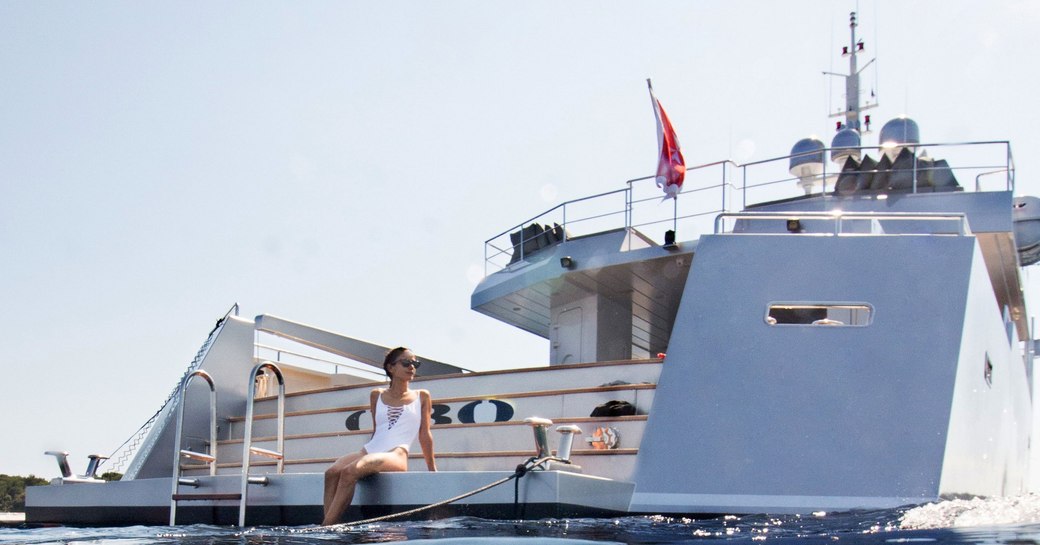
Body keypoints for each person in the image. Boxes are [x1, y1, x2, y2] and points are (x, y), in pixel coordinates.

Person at [322, 347, 437, 525]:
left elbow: (425, 434)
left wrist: (432, 469)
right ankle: (330, 524)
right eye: (406, 363)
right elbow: (378, 431)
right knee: (332, 472)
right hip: (371, 450)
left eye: (415, 363)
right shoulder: (377, 394)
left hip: (396, 454)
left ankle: (326, 528)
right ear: (391, 368)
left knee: (349, 471)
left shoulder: (422, 396)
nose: (412, 367)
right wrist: (365, 454)